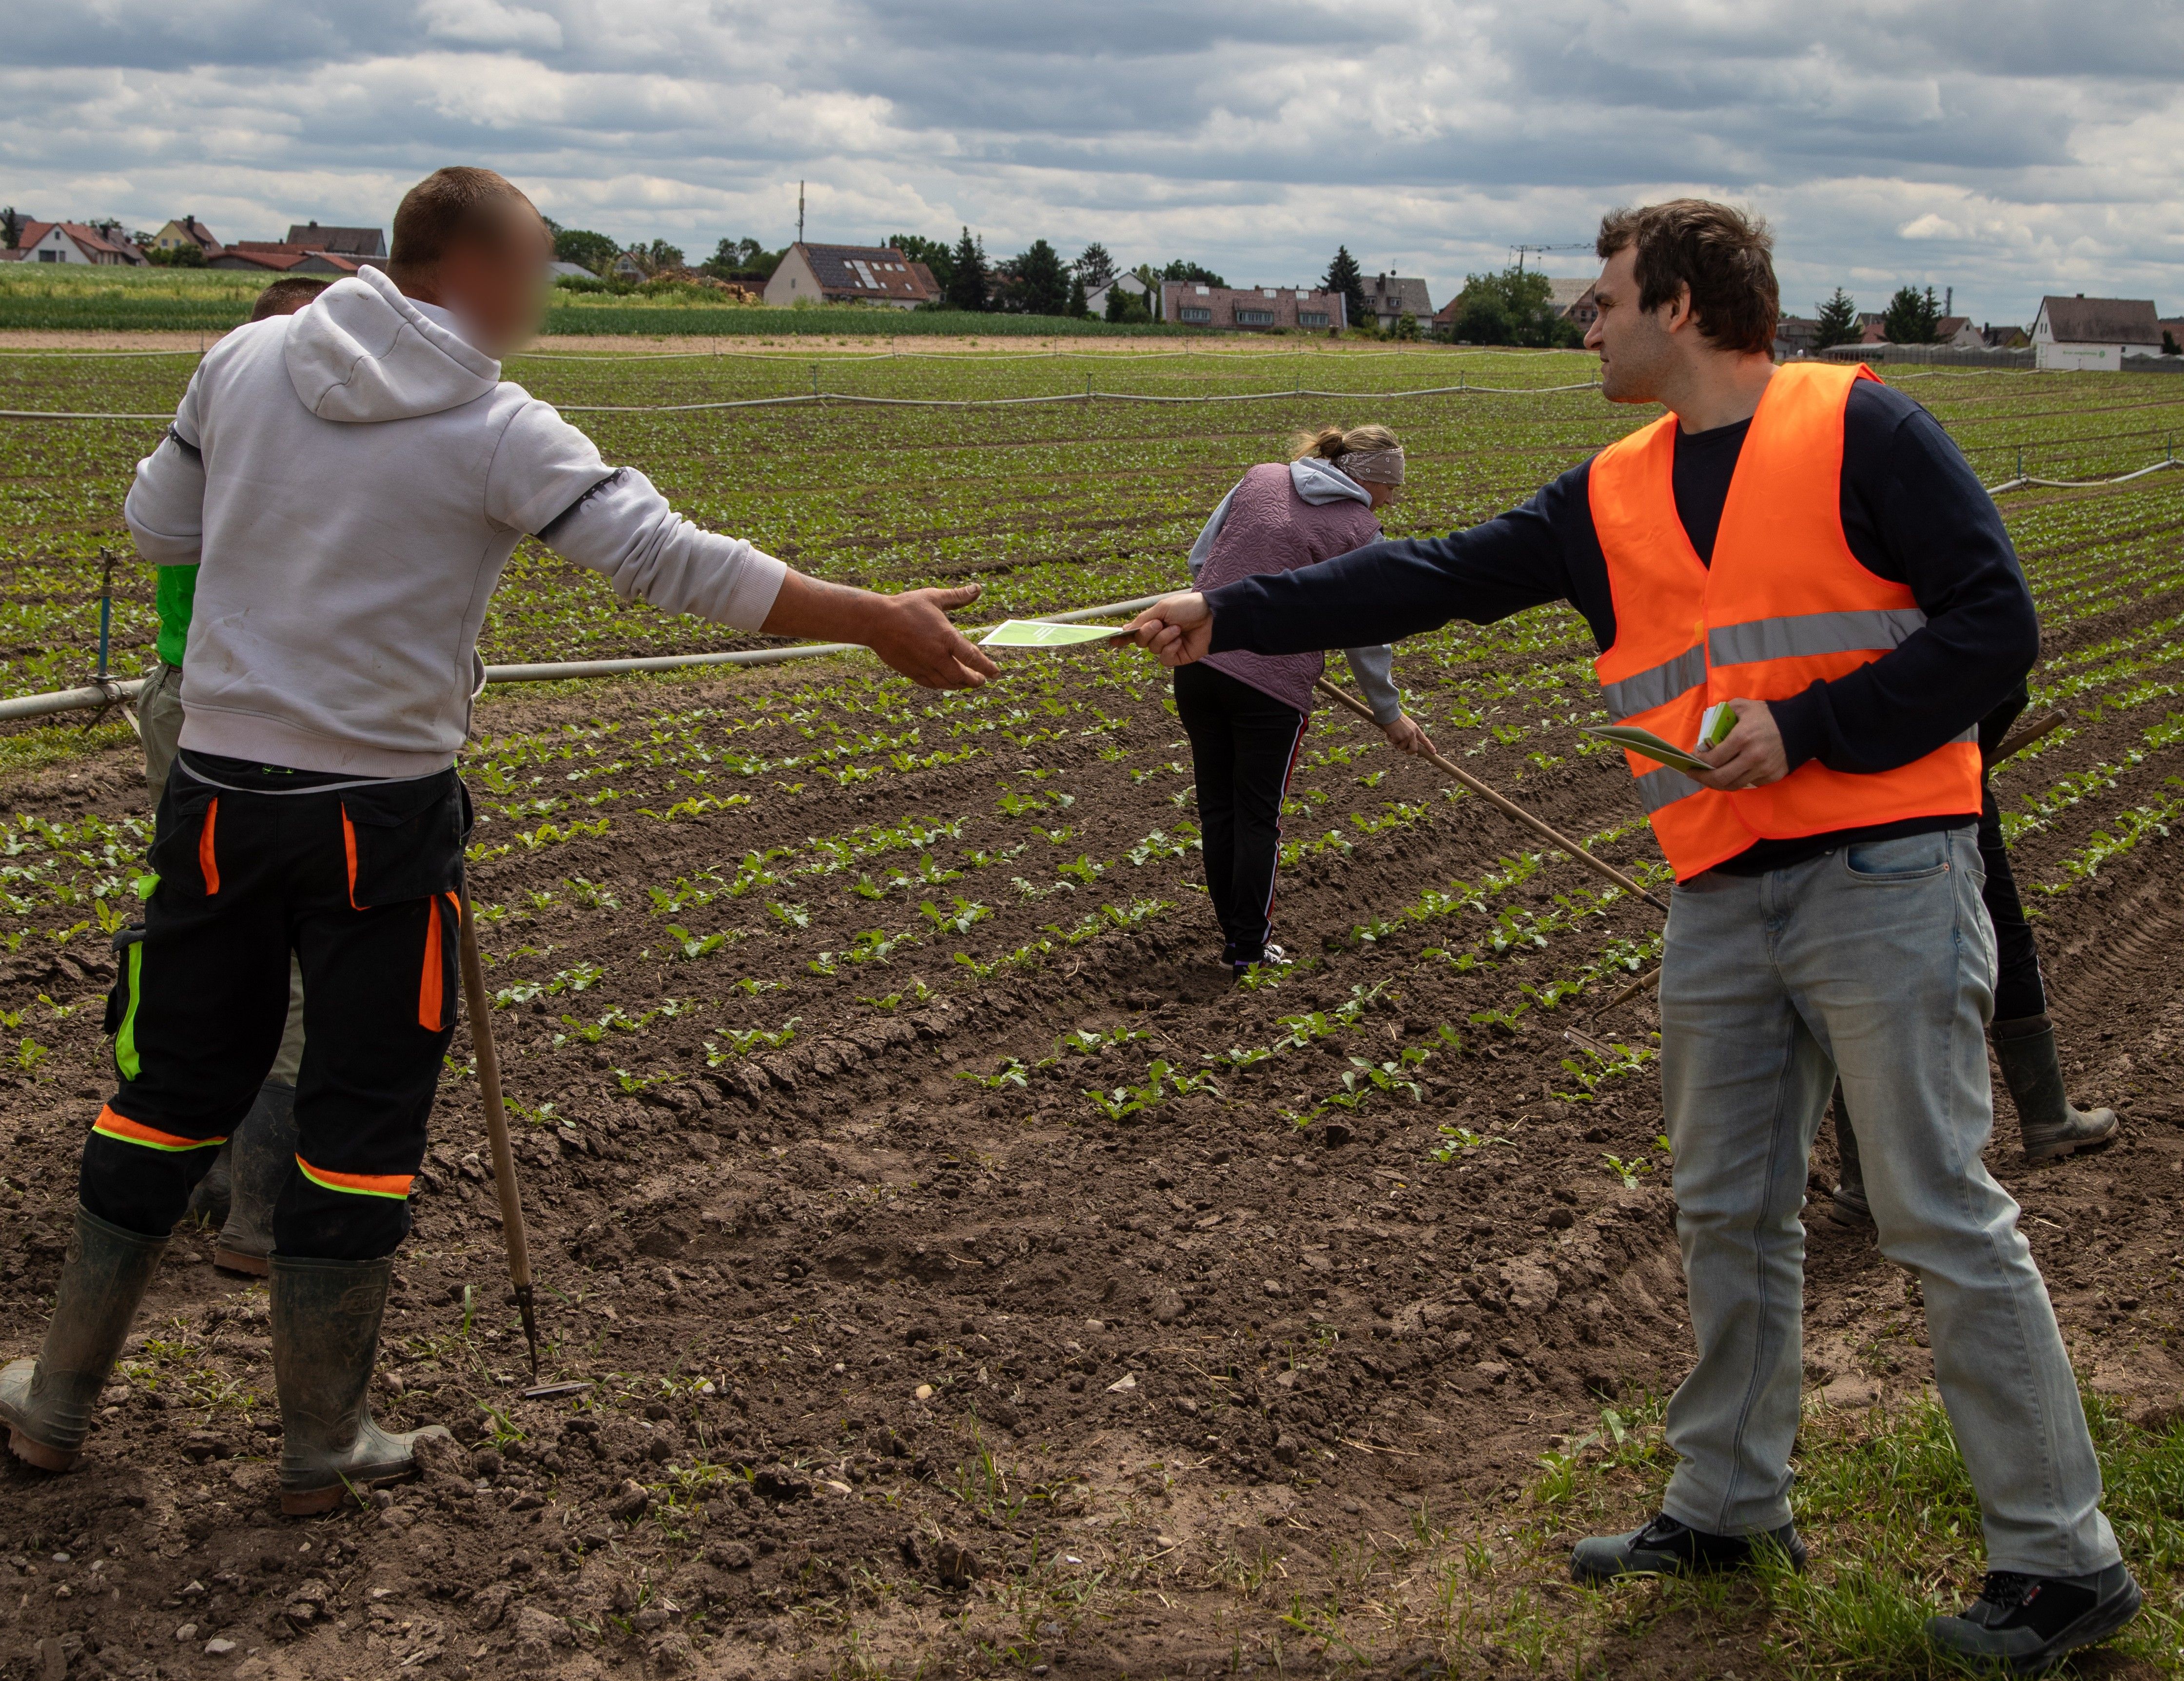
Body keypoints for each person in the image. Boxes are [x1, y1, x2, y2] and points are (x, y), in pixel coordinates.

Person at [1131, 199, 2138, 1675]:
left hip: (1883, 871)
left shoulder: (1863, 428)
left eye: (1601, 299)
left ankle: (2061, 1557)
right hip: (1719, 891)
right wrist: (1226, 612)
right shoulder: (1610, 491)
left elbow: (1996, 629)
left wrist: (1808, 727)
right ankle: (1729, 1506)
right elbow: (1431, 575)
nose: (1583, 324)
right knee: (1725, 1206)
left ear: (1678, 305)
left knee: (1933, 1205)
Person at [0, 166, 996, 1514]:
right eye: (534, 265)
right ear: (467, 266)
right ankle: (320, 1440)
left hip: (219, 797)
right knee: (361, 1110)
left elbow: (155, 526)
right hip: (378, 817)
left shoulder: (241, 361)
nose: (543, 294)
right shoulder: (496, 424)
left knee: (168, 1083)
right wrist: (873, 617)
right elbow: (671, 559)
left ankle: (57, 1400)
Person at [139, 276, 332, 1254]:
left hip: (196, 701)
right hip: (275, 719)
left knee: (200, 932)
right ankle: (260, 1203)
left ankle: (197, 1176)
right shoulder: (276, 439)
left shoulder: (213, 420)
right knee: (286, 951)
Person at [1830, 695, 2115, 1219]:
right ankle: (2047, 1115)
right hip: (1942, 791)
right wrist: (1969, 750)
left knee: (1854, 966)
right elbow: (2008, 684)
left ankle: (1866, 1179)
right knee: (2000, 930)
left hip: (1831, 801)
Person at [1179, 425, 1434, 975]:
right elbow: (1367, 632)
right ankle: (1248, 949)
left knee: (1220, 812)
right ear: (1370, 479)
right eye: (1392, 487)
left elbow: (1203, 563)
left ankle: (1239, 941)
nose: (1393, 499)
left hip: (1197, 666)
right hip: (1269, 690)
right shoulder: (1360, 529)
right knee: (1257, 818)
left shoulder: (1261, 478)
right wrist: (1389, 714)